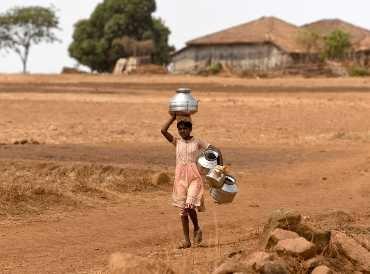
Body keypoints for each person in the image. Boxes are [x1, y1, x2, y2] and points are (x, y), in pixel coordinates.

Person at [161, 114, 222, 249]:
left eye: (184, 129)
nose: (182, 131)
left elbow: (215, 150)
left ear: (190, 129)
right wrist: (172, 117)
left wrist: (219, 167)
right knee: (183, 210)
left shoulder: (197, 141)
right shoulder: (177, 142)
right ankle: (187, 241)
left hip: (194, 176)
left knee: (189, 205)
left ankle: (196, 228)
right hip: (180, 178)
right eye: (180, 129)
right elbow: (163, 130)